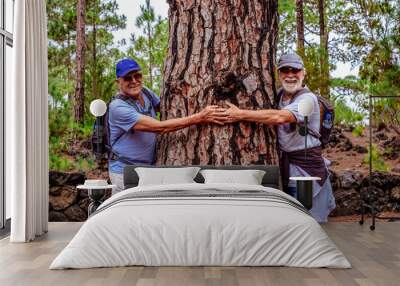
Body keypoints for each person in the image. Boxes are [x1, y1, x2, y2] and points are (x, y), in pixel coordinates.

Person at [222, 52, 335, 222]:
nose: (290, 75)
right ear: (279, 74)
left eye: (295, 70)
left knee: (312, 223)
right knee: (294, 221)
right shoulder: (278, 96)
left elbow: (280, 117)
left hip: (307, 170)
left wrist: (239, 114)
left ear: (303, 73)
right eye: (285, 70)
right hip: (288, 169)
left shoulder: (308, 99)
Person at [108, 58, 226, 194]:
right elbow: (159, 127)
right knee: (127, 211)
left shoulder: (145, 92)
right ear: (118, 82)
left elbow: (165, 108)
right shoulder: (118, 107)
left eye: (137, 75)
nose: (134, 81)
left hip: (148, 169)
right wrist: (199, 117)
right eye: (128, 78)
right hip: (124, 171)